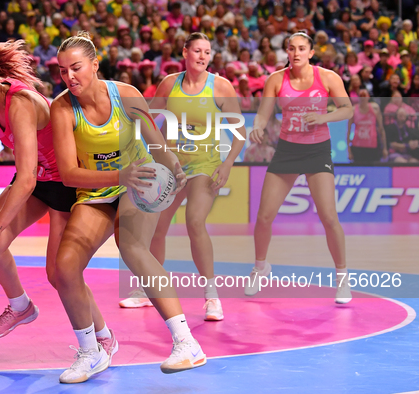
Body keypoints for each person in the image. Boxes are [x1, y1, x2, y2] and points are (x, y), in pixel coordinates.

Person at [51, 31, 206, 384]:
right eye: (62, 71)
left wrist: (175, 170)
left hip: (138, 182)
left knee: (132, 247)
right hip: (96, 188)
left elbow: (156, 142)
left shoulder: (127, 95)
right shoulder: (62, 108)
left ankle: (187, 343)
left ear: (94, 64)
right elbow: (69, 174)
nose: (69, 77)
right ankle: (93, 351)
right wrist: (119, 173)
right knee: (65, 267)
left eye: (76, 68)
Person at [0, 40, 91, 341]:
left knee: (59, 275)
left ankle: (102, 336)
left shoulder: (20, 103)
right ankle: (21, 306)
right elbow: (26, 174)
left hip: (63, 184)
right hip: (37, 180)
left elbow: (26, 179)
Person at [119, 33, 246, 321]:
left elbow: (239, 133)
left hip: (205, 166)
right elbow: (148, 119)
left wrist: (226, 165)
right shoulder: (169, 84)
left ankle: (212, 297)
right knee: (156, 227)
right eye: (197, 51)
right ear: (185, 52)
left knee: (195, 221)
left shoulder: (220, 87)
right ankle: (149, 291)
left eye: (207, 52)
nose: (202, 56)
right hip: (170, 168)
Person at [248, 32, 354, 304]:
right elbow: (263, 113)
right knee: (263, 217)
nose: (296, 53)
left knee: (329, 217)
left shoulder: (328, 77)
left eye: (302, 49)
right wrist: (258, 127)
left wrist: (322, 117)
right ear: (287, 51)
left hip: (318, 150)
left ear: (310, 52)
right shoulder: (276, 79)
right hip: (287, 150)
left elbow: (347, 109)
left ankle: (343, 279)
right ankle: (260, 268)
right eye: (292, 48)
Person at [347, 89, 387, 163]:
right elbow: (348, 131)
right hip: (357, 146)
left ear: (368, 97)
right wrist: (349, 151)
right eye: (360, 96)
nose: (362, 98)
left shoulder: (375, 108)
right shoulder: (353, 110)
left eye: (364, 95)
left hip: (372, 145)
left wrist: (384, 148)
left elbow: (381, 129)